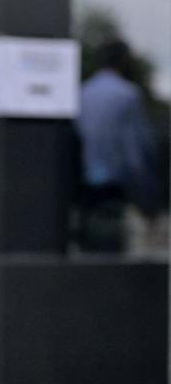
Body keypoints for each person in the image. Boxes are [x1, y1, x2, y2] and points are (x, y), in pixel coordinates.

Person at [76, 39, 159, 252]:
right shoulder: (127, 95)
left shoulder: (82, 93)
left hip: (83, 188)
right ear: (123, 61)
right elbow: (137, 151)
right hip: (114, 189)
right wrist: (148, 199)